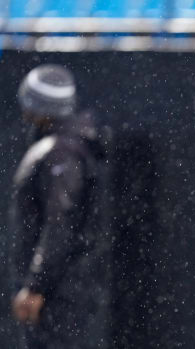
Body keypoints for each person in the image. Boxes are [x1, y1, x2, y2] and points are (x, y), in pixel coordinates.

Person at [9, 64, 108, 348]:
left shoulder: (60, 153)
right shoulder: (65, 148)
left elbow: (59, 225)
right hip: (65, 293)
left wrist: (35, 287)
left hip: (59, 297)